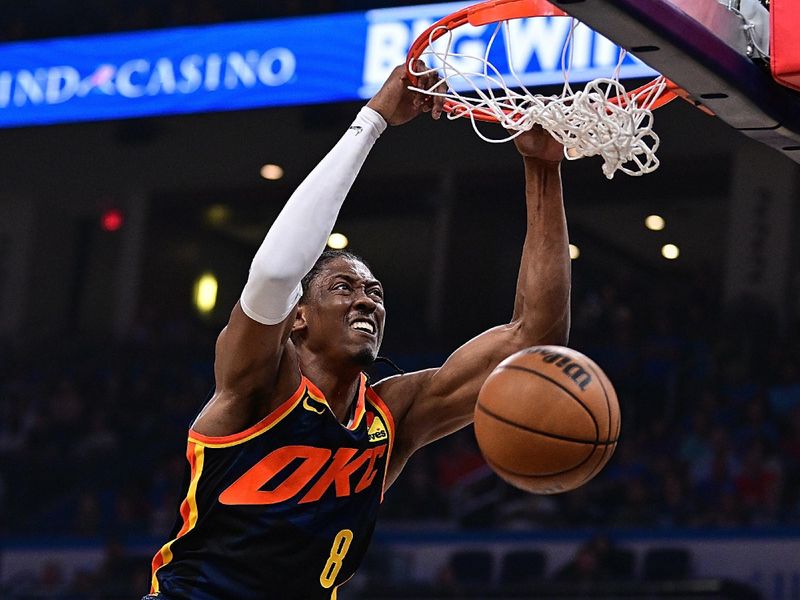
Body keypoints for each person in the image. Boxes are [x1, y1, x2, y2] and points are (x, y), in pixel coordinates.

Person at [145, 62, 570, 599]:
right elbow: (277, 272)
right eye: (343, 287)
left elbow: (534, 340)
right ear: (299, 314)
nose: (366, 300)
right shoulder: (256, 382)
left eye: (375, 293)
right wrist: (372, 122)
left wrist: (543, 169)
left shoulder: (392, 416)